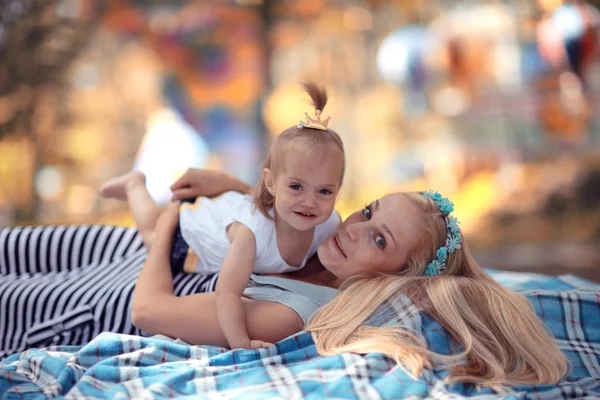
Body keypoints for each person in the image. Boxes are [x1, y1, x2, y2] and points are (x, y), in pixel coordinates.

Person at [0, 168, 567, 389]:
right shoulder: (334, 235)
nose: (354, 227)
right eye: (369, 212)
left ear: (401, 276)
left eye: (380, 239)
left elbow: (150, 312)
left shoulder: (294, 314)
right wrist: (233, 187)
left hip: (121, 295)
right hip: (141, 248)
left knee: (12, 297)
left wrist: (167, 220)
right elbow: (277, 217)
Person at [98, 83, 345, 349]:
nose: (310, 202)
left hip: (225, 210)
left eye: (325, 191)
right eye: (296, 187)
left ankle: (135, 186)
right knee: (152, 232)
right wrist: (240, 341)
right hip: (191, 230)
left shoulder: (329, 226)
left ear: (338, 191)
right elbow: (227, 294)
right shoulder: (252, 234)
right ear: (271, 183)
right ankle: (135, 184)